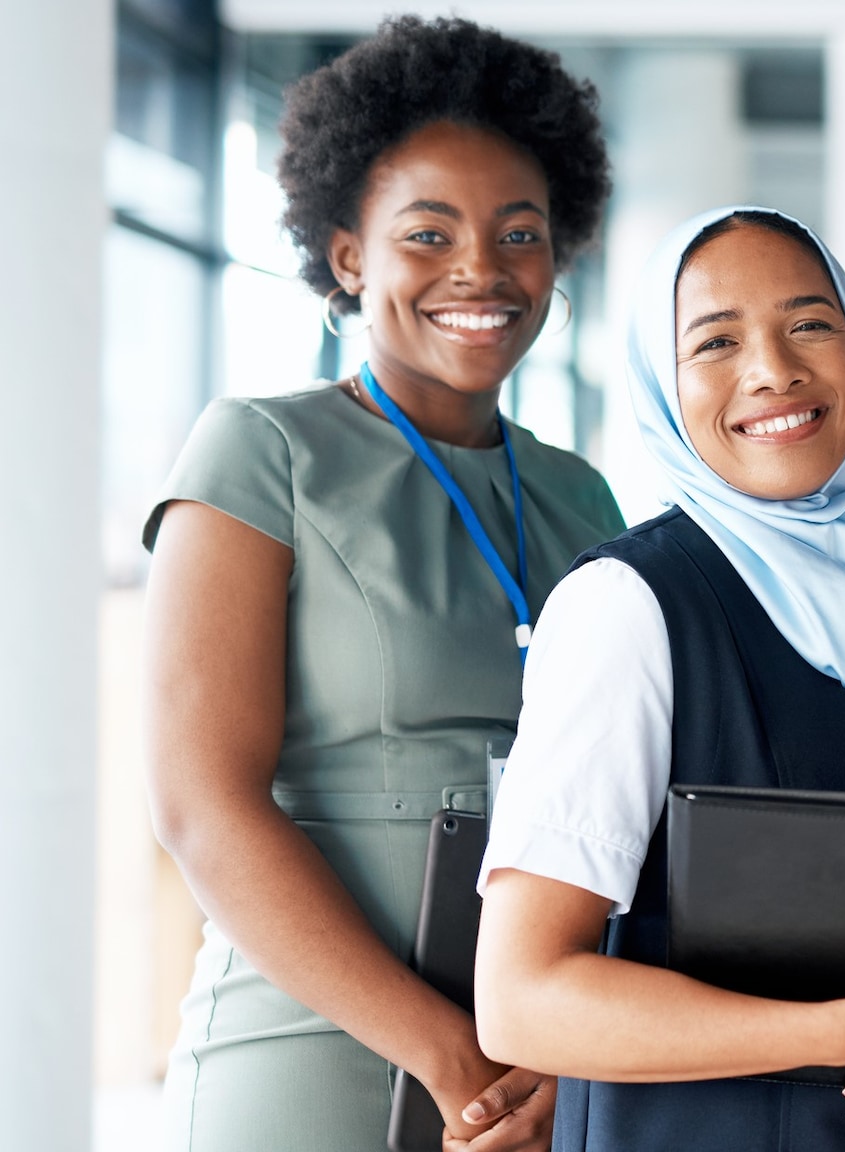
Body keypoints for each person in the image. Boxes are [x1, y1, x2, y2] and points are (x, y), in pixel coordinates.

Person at [142, 17, 623, 1151]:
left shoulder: (584, 501)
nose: (480, 270)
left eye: (520, 233)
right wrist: (451, 1053)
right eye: (427, 232)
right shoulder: (260, 451)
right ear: (348, 255)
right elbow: (201, 807)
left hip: (532, 1064)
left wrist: (559, 1051)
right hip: (310, 1046)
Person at [471, 207, 845, 1152]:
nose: (774, 370)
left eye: (811, 323)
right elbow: (523, 1002)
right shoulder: (630, 606)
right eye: (716, 342)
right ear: (661, 385)